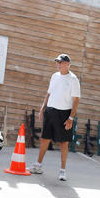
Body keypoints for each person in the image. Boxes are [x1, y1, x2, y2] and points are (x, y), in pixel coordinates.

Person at [31, 53, 80, 181]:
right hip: (50, 111)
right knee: (44, 139)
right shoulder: (54, 76)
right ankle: (38, 165)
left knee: (64, 143)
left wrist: (71, 118)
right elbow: (49, 93)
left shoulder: (73, 79)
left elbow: (76, 100)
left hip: (64, 114)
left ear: (68, 64)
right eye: (57, 62)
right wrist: (43, 108)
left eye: (61, 62)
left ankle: (62, 171)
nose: (58, 64)